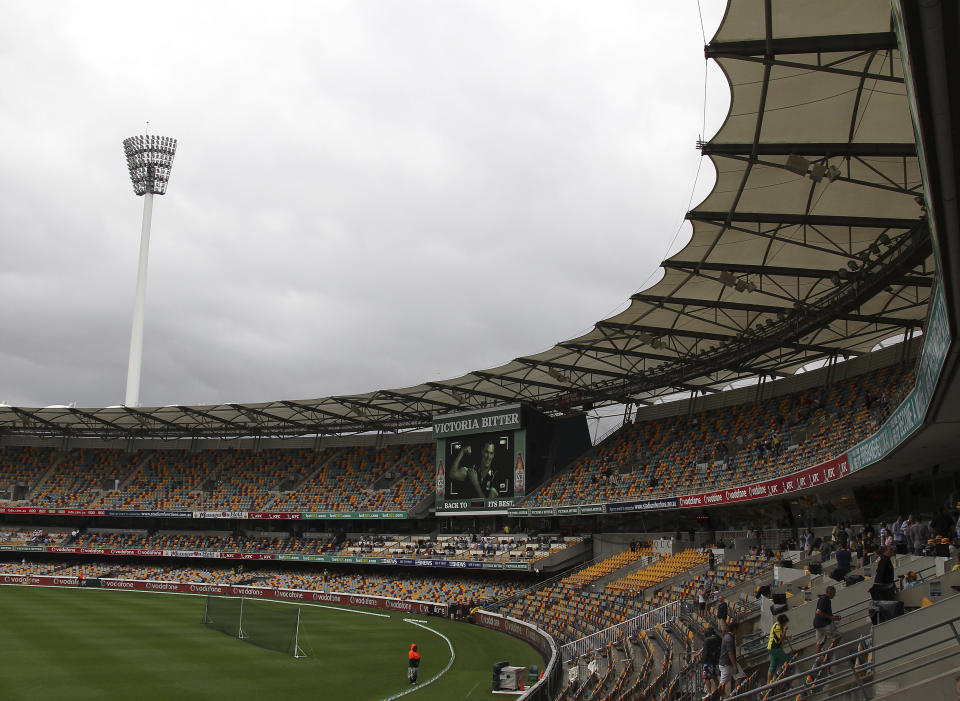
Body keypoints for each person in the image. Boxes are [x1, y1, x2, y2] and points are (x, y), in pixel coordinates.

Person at [718, 620, 745, 697]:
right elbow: (730, 653)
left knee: (740, 676)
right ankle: (721, 697)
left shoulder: (728, 636)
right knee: (722, 685)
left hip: (730, 663)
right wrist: (735, 666)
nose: (738, 631)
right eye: (738, 629)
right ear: (734, 629)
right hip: (726, 664)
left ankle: (732, 695)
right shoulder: (729, 638)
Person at [813, 586, 841, 650]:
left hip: (817, 624)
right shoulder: (824, 599)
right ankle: (830, 651)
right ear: (830, 593)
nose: (834, 595)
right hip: (824, 624)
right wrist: (831, 617)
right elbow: (819, 612)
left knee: (820, 642)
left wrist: (833, 617)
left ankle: (817, 657)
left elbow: (823, 612)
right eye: (833, 593)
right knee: (838, 637)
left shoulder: (823, 599)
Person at [767, 614, 790, 684]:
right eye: (785, 623)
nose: (785, 624)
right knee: (788, 660)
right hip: (774, 648)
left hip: (772, 648)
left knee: (773, 665)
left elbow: (781, 637)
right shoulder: (777, 627)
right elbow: (780, 639)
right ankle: (787, 677)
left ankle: (769, 682)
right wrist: (785, 631)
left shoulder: (778, 626)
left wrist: (787, 637)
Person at [702, 627, 721, 697]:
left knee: (706, 678)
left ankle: (709, 693)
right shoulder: (719, 638)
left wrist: (702, 661)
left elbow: (705, 652)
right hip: (716, 661)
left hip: (708, 661)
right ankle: (718, 691)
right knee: (714, 676)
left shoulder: (707, 640)